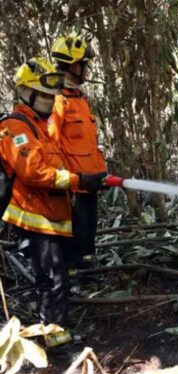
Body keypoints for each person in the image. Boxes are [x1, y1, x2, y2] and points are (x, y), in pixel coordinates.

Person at [0, 57, 106, 346]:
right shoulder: (14, 128)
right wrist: (78, 181)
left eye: (51, 95)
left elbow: (59, 164)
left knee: (57, 276)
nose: (49, 100)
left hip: (52, 217)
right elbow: (34, 172)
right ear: (26, 92)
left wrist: (86, 179)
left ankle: (56, 333)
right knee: (52, 279)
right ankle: (56, 340)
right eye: (44, 95)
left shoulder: (40, 126)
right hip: (35, 219)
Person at [48, 35, 107, 270]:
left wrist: (100, 175)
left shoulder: (79, 99)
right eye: (84, 64)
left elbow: (87, 145)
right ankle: (72, 279)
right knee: (75, 238)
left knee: (87, 236)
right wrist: (67, 183)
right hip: (73, 186)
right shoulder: (57, 100)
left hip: (90, 183)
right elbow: (52, 145)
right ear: (73, 65)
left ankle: (87, 270)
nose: (86, 70)